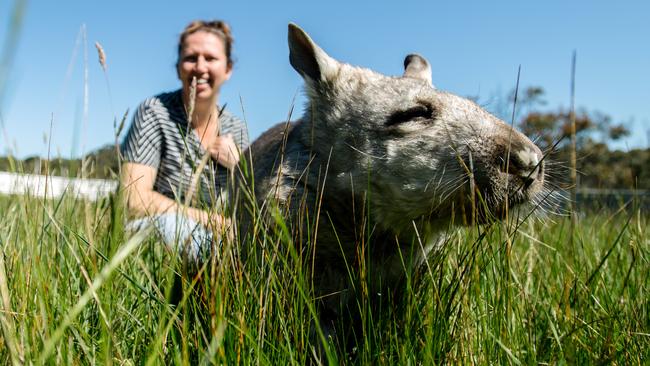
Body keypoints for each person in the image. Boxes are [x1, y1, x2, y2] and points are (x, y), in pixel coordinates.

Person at [120, 20, 249, 263]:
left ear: (228, 69)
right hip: (155, 236)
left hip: (218, 239)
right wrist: (214, 223)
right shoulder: (154, 113)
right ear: (178, 67)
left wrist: (239, 166)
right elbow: (134, 200)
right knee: (177, 229)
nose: (200, 67)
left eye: (210, 58)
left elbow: (251, 203)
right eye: (191, 58)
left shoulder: (236, 129)